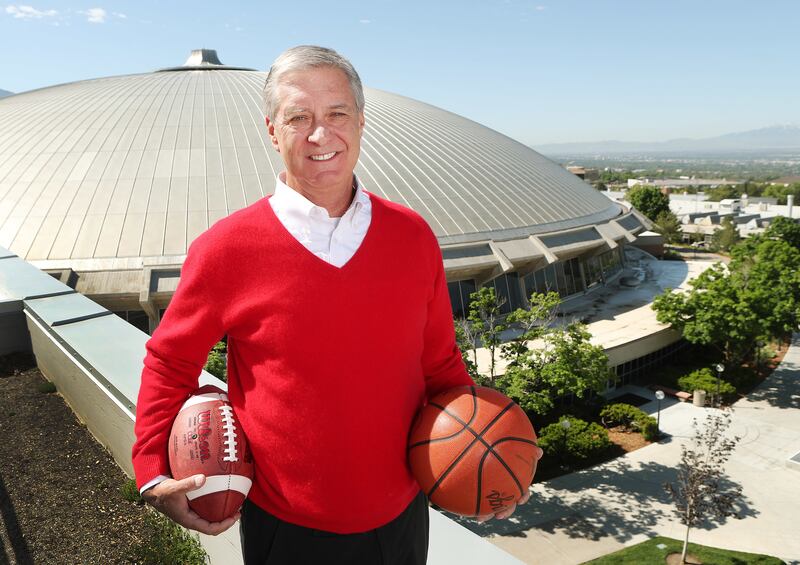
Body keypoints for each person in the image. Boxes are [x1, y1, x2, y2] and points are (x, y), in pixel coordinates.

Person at [131, 45, 531, 564]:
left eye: (337, 113)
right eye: (300, 117)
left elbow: (440, 366)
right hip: (286, 528)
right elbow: (171, 361)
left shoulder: (412, 236)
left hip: (402, 518)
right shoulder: (228, 248)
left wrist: (497, 461)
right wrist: (152, 474)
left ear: (361, 121)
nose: (321, 134)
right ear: (273, 130)